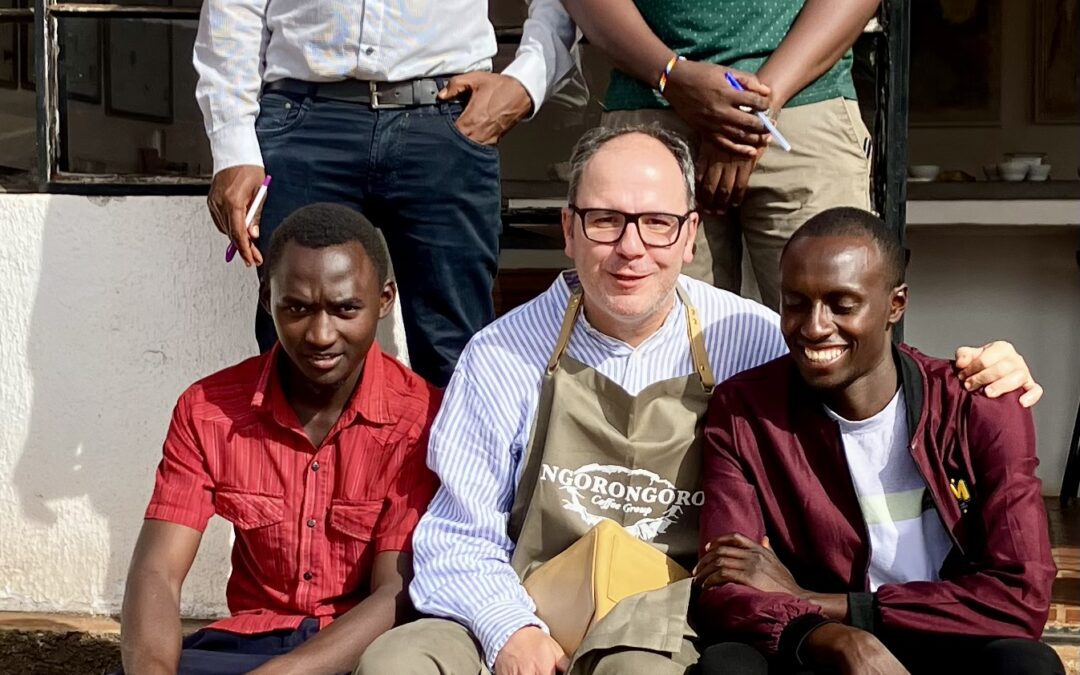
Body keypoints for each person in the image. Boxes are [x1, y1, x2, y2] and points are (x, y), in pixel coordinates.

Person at [354, 127, 1042, 675]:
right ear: (566, 230)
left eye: (655, 222)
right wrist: (512, 631)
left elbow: (865, 364)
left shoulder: (751, 336)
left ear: (689, 236)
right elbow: (455, 536)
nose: (631, 248)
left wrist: (986, 371)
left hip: (660, 617)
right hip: (521, 598)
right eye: (604, 221)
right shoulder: (500, 355)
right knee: (395, 662)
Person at [694, 207, 1063, 675]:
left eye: (842, 305)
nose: (814, 327)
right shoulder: (746, 410)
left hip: (944, 636)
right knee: (727, 665)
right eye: (795, 303)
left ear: (896, 304)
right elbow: (725, 587)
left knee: (1028, 665)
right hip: (814, 644)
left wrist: (836, 606)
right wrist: (837, 638)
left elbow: (1021, 597)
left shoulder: (978, 405)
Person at [119, 204, 440, 675]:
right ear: (267, 299)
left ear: (385, 300)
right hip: (244, 645)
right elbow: (157, 573)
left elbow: (395, 593)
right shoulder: (207, 411)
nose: (321, 334)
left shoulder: (421, 419)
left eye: (346, 308)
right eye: (297, 308)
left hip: (359, 652)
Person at [195, 0, 578, 387]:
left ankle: (457, 450)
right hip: (303, 119)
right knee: (300, 346)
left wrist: (527, 82)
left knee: (455, 355)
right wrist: (232, 143)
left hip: (446, 118)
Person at [562, 0, 880, 310]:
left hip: (800, 106)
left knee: (830, 325)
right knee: (660, 342)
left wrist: (748, 112)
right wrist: (670, 76)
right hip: (653, 107)